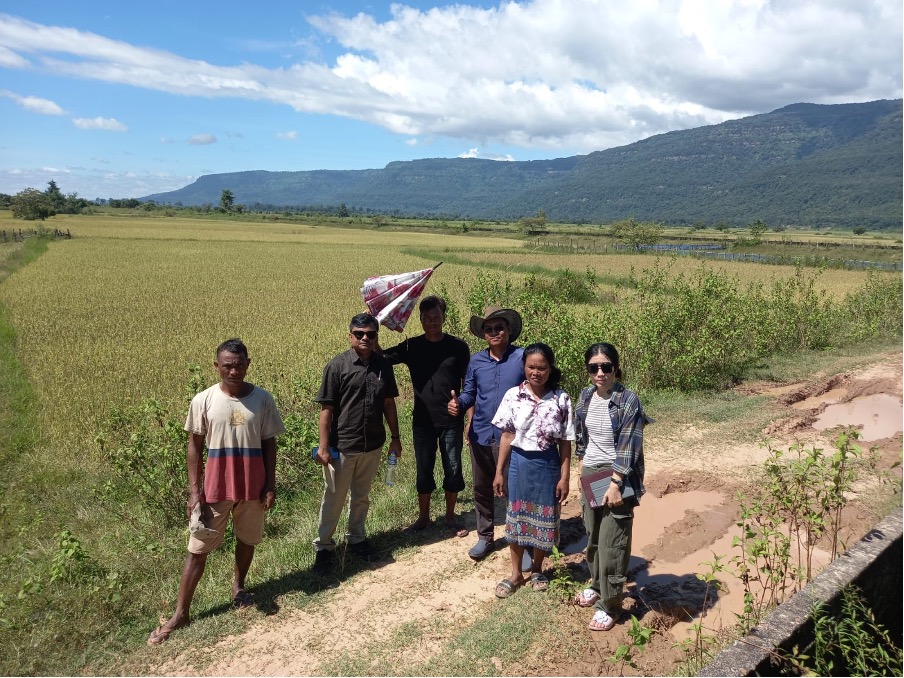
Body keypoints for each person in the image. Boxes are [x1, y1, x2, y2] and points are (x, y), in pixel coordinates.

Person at [147, 338, 285, 646]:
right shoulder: (204, 400)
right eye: (227, 366)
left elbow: (269, 443)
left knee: (247, 539)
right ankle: (181, 613)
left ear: (248, 364)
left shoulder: (263, 399)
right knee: (197, 550)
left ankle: (239, 587)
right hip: (215, 489)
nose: (234, 371)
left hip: (253, 486)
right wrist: (195, 492)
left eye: (239, 365)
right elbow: (194, 446)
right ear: (217, 366)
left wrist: (270, 484)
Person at [312, 312, 402, 575]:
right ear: (350, 336)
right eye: (359, 334)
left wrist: (395, 438)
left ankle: (357, 539)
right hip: (343, 446)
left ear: (376, 337)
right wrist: (323, 446)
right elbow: (326, 410)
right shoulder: (337, 366)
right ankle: (324, 548)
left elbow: (388, 403)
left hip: (372, 444)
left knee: (361, 497)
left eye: (370, 334)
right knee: (333, 499)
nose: (365, 338)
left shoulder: (383, 365)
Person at [573, 342, 652, 631]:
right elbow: (582, 435)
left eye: (606, 366)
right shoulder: (585, 396)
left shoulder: (628, 400)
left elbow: (630, 445)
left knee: (613, 542)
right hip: (592, 472)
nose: (600, 372)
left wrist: (617, 482)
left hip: (617, 474)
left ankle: (611, 604)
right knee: (593, 535)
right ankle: (596, 584)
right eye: (594, 367)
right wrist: (580, 468)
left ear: (616, 367)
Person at [380, 295, 471, 536]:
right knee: (424, 469)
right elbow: (382, 359)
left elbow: (470, 386)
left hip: (451, 421)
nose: (432, 322)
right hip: (422, 422)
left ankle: (450, 518)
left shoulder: (458, 347)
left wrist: (465, 411)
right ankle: (424, 518)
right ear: (420, 320)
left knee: (453, 468)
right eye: (427, 318)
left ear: (444, 318)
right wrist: (375, 326)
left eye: (436, 317)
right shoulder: (412, 347)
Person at [491, 343, 574, 597]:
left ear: (550, 369)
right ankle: (516, 574)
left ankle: (537, 569)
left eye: (542, 367)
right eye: (531, 367)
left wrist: (565, 476)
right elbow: (507, 435)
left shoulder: (561, 399)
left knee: (545, 519)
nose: (536, 372)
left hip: (548, 465)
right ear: (524, 367)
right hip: (519, 464)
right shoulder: (512, 396)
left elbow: (565, 441)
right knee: (516, 520)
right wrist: (499, 472)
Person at [448, 306, 525, 561]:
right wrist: (459, 402)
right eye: (489, 329)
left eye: (499, 327)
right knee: (481, 487)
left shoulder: (522, 358)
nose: (494, 332)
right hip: (481, 432)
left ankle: (520, 541)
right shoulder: (476, 361)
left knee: (515, 488)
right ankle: (485, 537)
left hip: (513, 436)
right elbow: (470, 392)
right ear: (483, 334)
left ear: (509, 330)